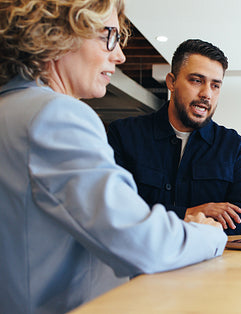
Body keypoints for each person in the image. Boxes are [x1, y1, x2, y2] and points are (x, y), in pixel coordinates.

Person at [0, 1, 227, 313]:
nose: (119, 55)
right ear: (59, 33)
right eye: (109, 37)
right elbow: (142, 242)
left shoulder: (11, 108)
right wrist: (210, 234)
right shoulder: (57, 115)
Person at [107, 39, 241, 235]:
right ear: (171, 82)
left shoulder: (232, 145)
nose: (207, 94)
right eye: (197, 81)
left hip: (208, 262)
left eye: (215, 85)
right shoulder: (124, 134)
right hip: (141, 261)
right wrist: (187, 214)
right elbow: (115, 207)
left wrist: (165, 218)